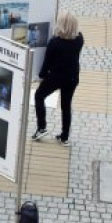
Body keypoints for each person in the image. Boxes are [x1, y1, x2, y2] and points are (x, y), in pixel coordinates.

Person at [32, 11, 84, 146]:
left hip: (56, 77)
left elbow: (46, 63)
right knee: (66, 106)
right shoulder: (79, 39)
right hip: (72, 77)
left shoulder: (54, 43)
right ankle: (65, 137)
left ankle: (42, 127)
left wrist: (41, 75)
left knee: (39, 96)